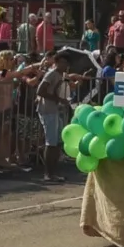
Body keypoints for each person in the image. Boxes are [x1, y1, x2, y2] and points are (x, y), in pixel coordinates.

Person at [35, 51, 74, 182]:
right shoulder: (51, 74)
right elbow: (40, 90)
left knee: (57, 142)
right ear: (56, 62)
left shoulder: (62, 75)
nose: (65, 65)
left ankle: (53, 172)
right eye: (62, 62)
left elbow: (66, 88)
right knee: (50, 142)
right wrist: (58, 99)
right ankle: (47, 173)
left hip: (56, 111)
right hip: (47, 110)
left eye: (67, 63)